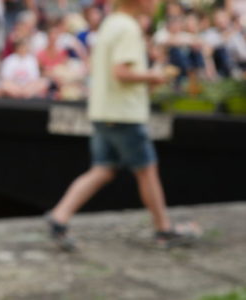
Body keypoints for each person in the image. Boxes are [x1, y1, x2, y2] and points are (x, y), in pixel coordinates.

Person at [47, 0, 200, 251]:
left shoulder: (111, 23)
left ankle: (59, 217)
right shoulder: (128, 27)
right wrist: (155, 75)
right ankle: (163, 229)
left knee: (103, 169)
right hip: (123, 113)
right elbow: (121, 72)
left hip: (103, 110)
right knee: (147, 170)